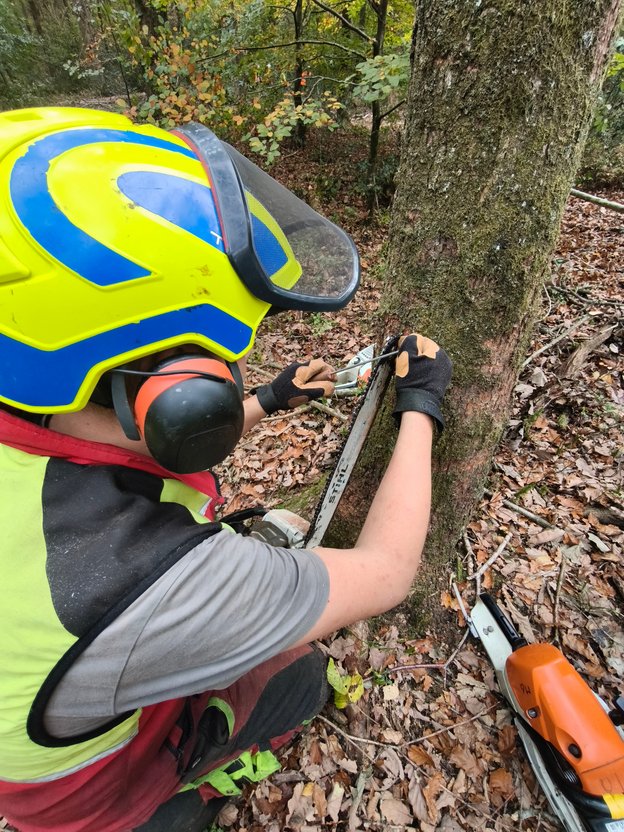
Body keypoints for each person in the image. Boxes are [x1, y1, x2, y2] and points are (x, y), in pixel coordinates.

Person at [0, 107, 452, 832]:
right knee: (301, 672)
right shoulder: (140, 578)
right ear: (176, 394)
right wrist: (422, 404)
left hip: (45, 729)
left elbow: (131, 433)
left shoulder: (28, 402)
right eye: (219, 365)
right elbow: (388, 572)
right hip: (95, 801)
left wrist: (266, 400)